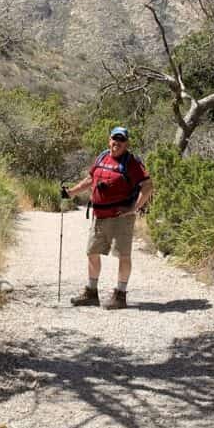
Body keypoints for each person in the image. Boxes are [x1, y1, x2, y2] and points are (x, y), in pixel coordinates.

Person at [62, 126, 153, 309]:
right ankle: (91, 293)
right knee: (92, 252)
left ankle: (120, 295)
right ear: (109, 140)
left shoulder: (132, 163)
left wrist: (134, 207)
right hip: (99, 215)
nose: (116, 143)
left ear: (126, 143)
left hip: (121, 217)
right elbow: (91, 179)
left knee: (123, 255)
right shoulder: (102, 156)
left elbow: (148, 185)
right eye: (114, 139)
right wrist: (71, 192)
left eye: (121, 140)